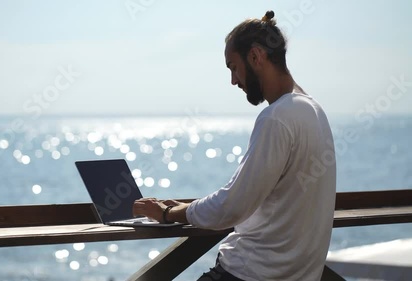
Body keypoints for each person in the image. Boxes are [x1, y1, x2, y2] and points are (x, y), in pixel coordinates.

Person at [133, 10, 336, 281]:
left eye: (233, 67)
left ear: (255, 56)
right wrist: (187, 208)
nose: (233, 80)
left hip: (249, 274)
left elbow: (233, 205)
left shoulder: (277, 117)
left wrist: (169, 213)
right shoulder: (315, 112)